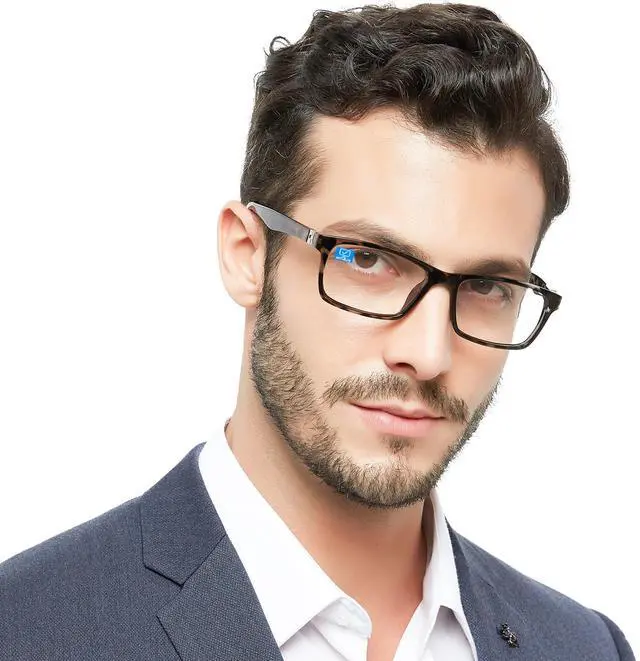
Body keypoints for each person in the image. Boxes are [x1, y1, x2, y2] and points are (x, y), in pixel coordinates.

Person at [0, 3, 635, 660]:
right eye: (368, 260)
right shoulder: (26, 629)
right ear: (248, 254)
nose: (427, 352)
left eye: (486, 287)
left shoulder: (585, 647)